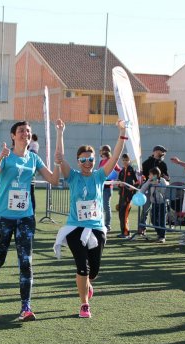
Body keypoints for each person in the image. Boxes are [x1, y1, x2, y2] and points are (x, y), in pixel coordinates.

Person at [0, 120, 61, 322]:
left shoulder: (34, 158)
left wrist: (59, 156)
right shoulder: (6, 157)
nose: (26, 133)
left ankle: (26, 307)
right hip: (2, 218)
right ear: (13, 136)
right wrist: (0, 157)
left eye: (28, 131)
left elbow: (53, 180)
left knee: (26, 263)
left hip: (25, 218)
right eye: (21, 131)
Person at [53, 119, 126, 318]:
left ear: (95, 160)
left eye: (90, 159)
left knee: (93, 270)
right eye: (83, 160)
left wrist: (122, 134)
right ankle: (84, 304)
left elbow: (115, 157)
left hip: (96, 228)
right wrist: (60, 132)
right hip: (75, 227)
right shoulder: (73, 176)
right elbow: (59, 158)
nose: (87, 163)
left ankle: (87, 284)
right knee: (82, 266)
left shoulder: (100, 176)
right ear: (78, 161)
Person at [137, 145, 169, 235]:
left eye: (164, 152)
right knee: (145, 210)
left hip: (158, 193)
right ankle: (142, 228)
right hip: (148, 191)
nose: (163, 153)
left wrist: (165, 178)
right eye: (162, 151)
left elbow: (167, 177)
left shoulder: (163, 164)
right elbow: (141, 174)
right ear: (155, 151)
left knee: (158, 214)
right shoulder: (146, 162)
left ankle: (160, 232)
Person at [139, 167, 170, 243]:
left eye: (150, 174)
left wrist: (158, 185)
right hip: (154, 203)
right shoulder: (150, 181)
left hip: (162, 203)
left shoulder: (162, 181)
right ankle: (159, 233)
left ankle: (162, 236)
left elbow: (164, 191)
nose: (149, 176)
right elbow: (143, 189)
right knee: (153, 219)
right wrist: (148, 182)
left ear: (155, 175)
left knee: (161, 220)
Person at [98, 144, 121, 232]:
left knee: (106, 206)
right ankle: (101, 223)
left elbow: (119, 170)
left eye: (102, 150)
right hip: (100, 187)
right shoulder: (101, 161)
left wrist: (114, 178)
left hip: (107, 188)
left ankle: (107, 225)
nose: (100, 152)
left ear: (105, 151)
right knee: (100, 206)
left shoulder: (111, 161)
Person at [116, 153, 138, 238]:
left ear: (130, 161)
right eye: (124, 160)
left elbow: (138, 181)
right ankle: (123, 231)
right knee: (121, 214)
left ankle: (126, 233)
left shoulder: (132, 170)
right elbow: (119, 181)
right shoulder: (121, 171)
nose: (125, 162)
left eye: (127, 160)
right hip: (121, 195)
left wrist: (134, 187)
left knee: (125, 214)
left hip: (129, 196)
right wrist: (119, 184)